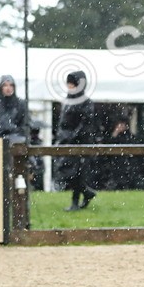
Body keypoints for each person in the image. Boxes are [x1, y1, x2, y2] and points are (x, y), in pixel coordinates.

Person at [55, 71, 101, 211]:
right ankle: (87, 193)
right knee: (68, 173)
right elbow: (63, 122)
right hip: (67, 141)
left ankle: (76, 201)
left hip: (80, 142)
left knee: (77, 173)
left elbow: (85, 124)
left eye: (72, 85)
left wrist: (73, 136)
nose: (69, 87)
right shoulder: (68, 101)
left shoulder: (86, 102)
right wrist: (62, 137)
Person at [0, 75, 29, 142]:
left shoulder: (21, 104)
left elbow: (25, 125)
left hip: (16, 139)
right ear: (1, 87)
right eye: (5, 85)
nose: (8, 88)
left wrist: (15, 129)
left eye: (11, 85)